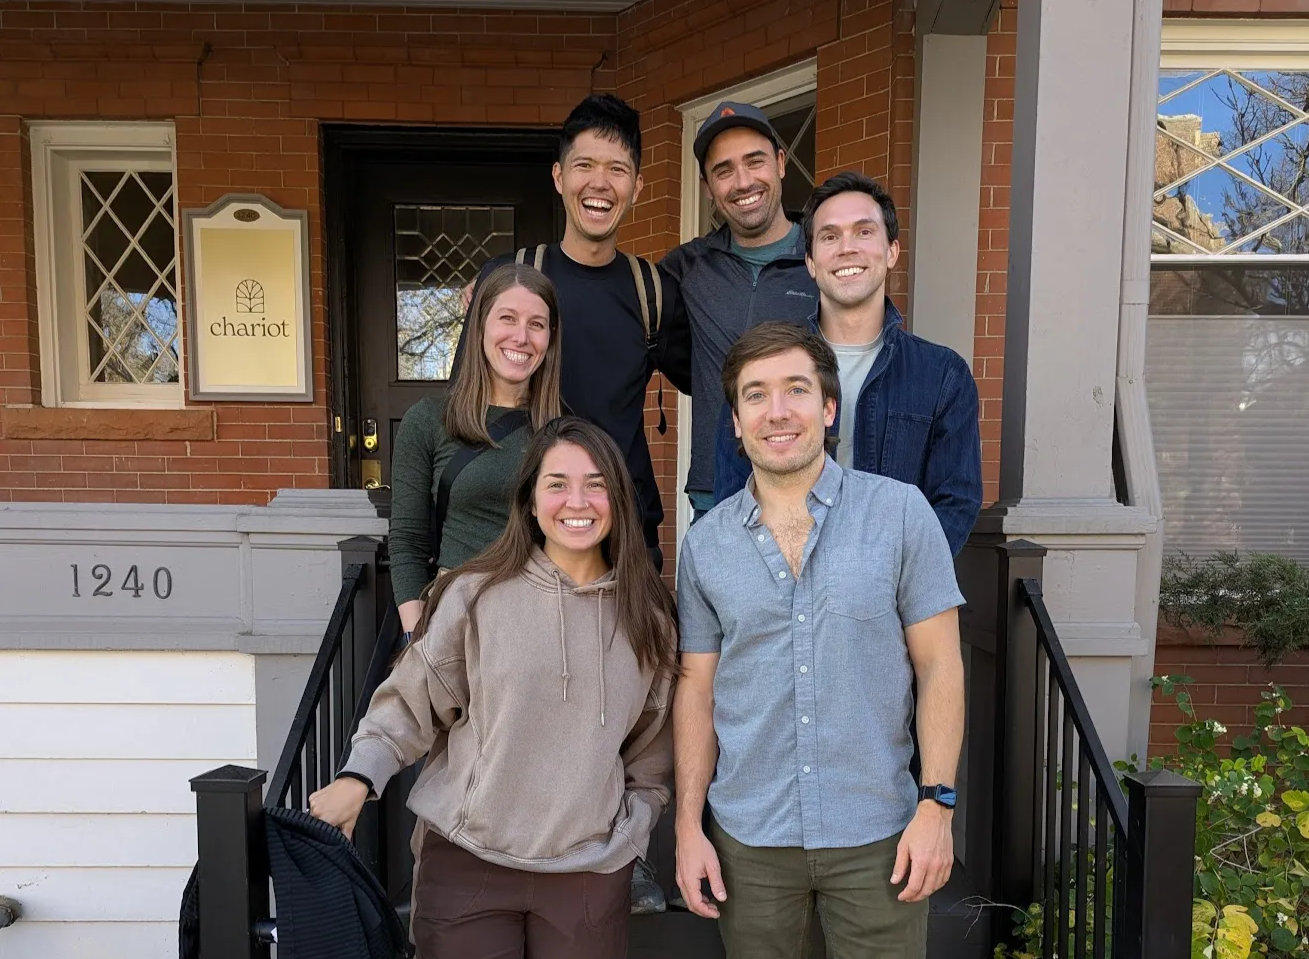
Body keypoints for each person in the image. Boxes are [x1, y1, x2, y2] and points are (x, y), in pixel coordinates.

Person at [309, 416, 678, 959]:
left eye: (596, 483)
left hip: (587, 872)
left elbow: (652, 750)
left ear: (619, 498)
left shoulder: (649, 618)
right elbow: (410, 703)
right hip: (468, 863)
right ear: (530, 501)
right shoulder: (476, 595)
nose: (577, 501)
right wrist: (359, 774)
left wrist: (632, 826)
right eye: (557, 484)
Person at [673, 323, 966, 959]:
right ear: (735, 420)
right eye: (756, 395)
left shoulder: (901, 514)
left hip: (878, 834)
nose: (777, 412)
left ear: (829, 408)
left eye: (796, 390)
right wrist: (686, 826)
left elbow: (941, 665)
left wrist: (937, 805)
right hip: (750, 840)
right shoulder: (705, 545)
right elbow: (695, 688)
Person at [458, 93, 692, 566]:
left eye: (618, 170)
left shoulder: (654, 292)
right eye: (584, 165)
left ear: (638, 186)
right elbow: (462, 405)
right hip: (521, 535)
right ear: (560, 177)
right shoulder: (509, 279)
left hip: (624, 536)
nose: (600, 184)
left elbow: (713, 385)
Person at [714, 171, 983, 555]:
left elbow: (956, 503)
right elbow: (732, 498)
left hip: (892, 603)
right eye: (829, 236)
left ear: (892, 251)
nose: (846, 248)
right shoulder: (759, 369)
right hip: (781, 594)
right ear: (810, 261)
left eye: (863, 232)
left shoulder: (942, 376)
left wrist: (891, 584)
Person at [660, 101, 819, 522]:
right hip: (717, 500)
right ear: (708, 186)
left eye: (755, 161)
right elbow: (607, 286)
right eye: (724, 170)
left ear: (781, 164)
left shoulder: (822, 259)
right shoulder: (685, 269)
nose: (743, 181)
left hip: (810, 494)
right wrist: (500, 277)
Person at [389, 263, 564, 637]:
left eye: (536, 324)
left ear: (550, 338)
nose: (521, 337)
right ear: (480, 325)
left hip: (542, 618)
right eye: (507, 318)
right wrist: (419, 640)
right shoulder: (428, 421)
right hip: (457, 619)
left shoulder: (564, 430)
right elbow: (407, 542)